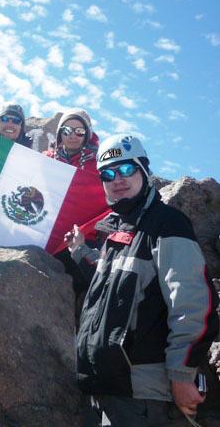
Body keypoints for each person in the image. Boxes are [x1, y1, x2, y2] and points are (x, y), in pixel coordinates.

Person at [65, 134, 219, 426]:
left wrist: (182, 375)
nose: (117, 179)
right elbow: (109, 282)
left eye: (126, 169)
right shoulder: (116, 230)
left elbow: (192, 301)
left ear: (144, 169)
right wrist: (79, 251)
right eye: (108, 174)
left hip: (141, 396)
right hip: (99, 389)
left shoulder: (166, 222)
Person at [42, 108, 98, 173]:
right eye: (66, 130)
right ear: (60, 134)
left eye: (79, 131)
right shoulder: (46, 159)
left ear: (87, 135)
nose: (73, 136)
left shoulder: (100, 166)